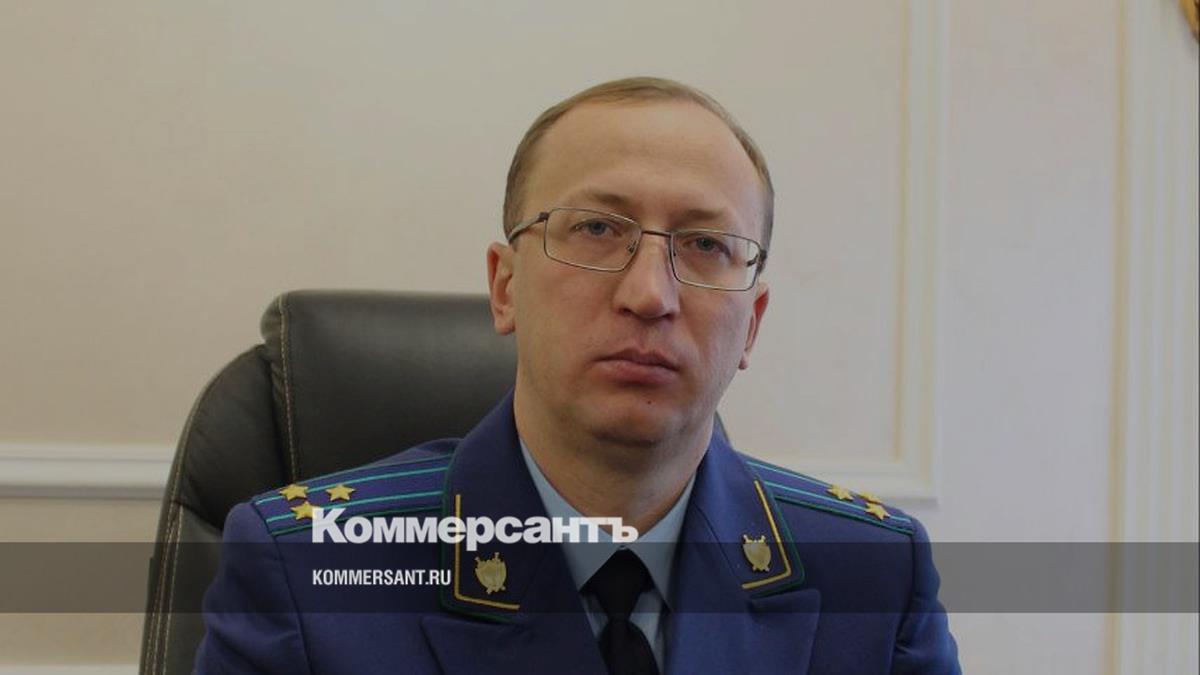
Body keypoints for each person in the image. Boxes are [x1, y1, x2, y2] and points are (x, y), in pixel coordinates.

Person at [195, 77, 960, 674]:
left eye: (704, 244)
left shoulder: (874, 575)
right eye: (596, 228)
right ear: (504, 287)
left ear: (751, 324)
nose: (650, 295)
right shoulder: (309, 569)